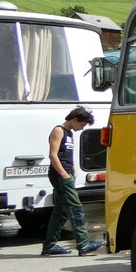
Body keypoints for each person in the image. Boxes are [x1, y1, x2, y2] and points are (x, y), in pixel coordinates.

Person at [40, 106, 104, 256]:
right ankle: (84, 243)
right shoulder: (59, 130)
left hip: (67, 173)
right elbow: (53, 155)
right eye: (82, 125)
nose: (82, 128)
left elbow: (67, 154)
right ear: (75, 119)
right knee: (75, 208)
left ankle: (49, 245)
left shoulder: (69, 132)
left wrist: (73, 169)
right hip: (60, 174)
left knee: (61, 211)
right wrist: (64, 174)